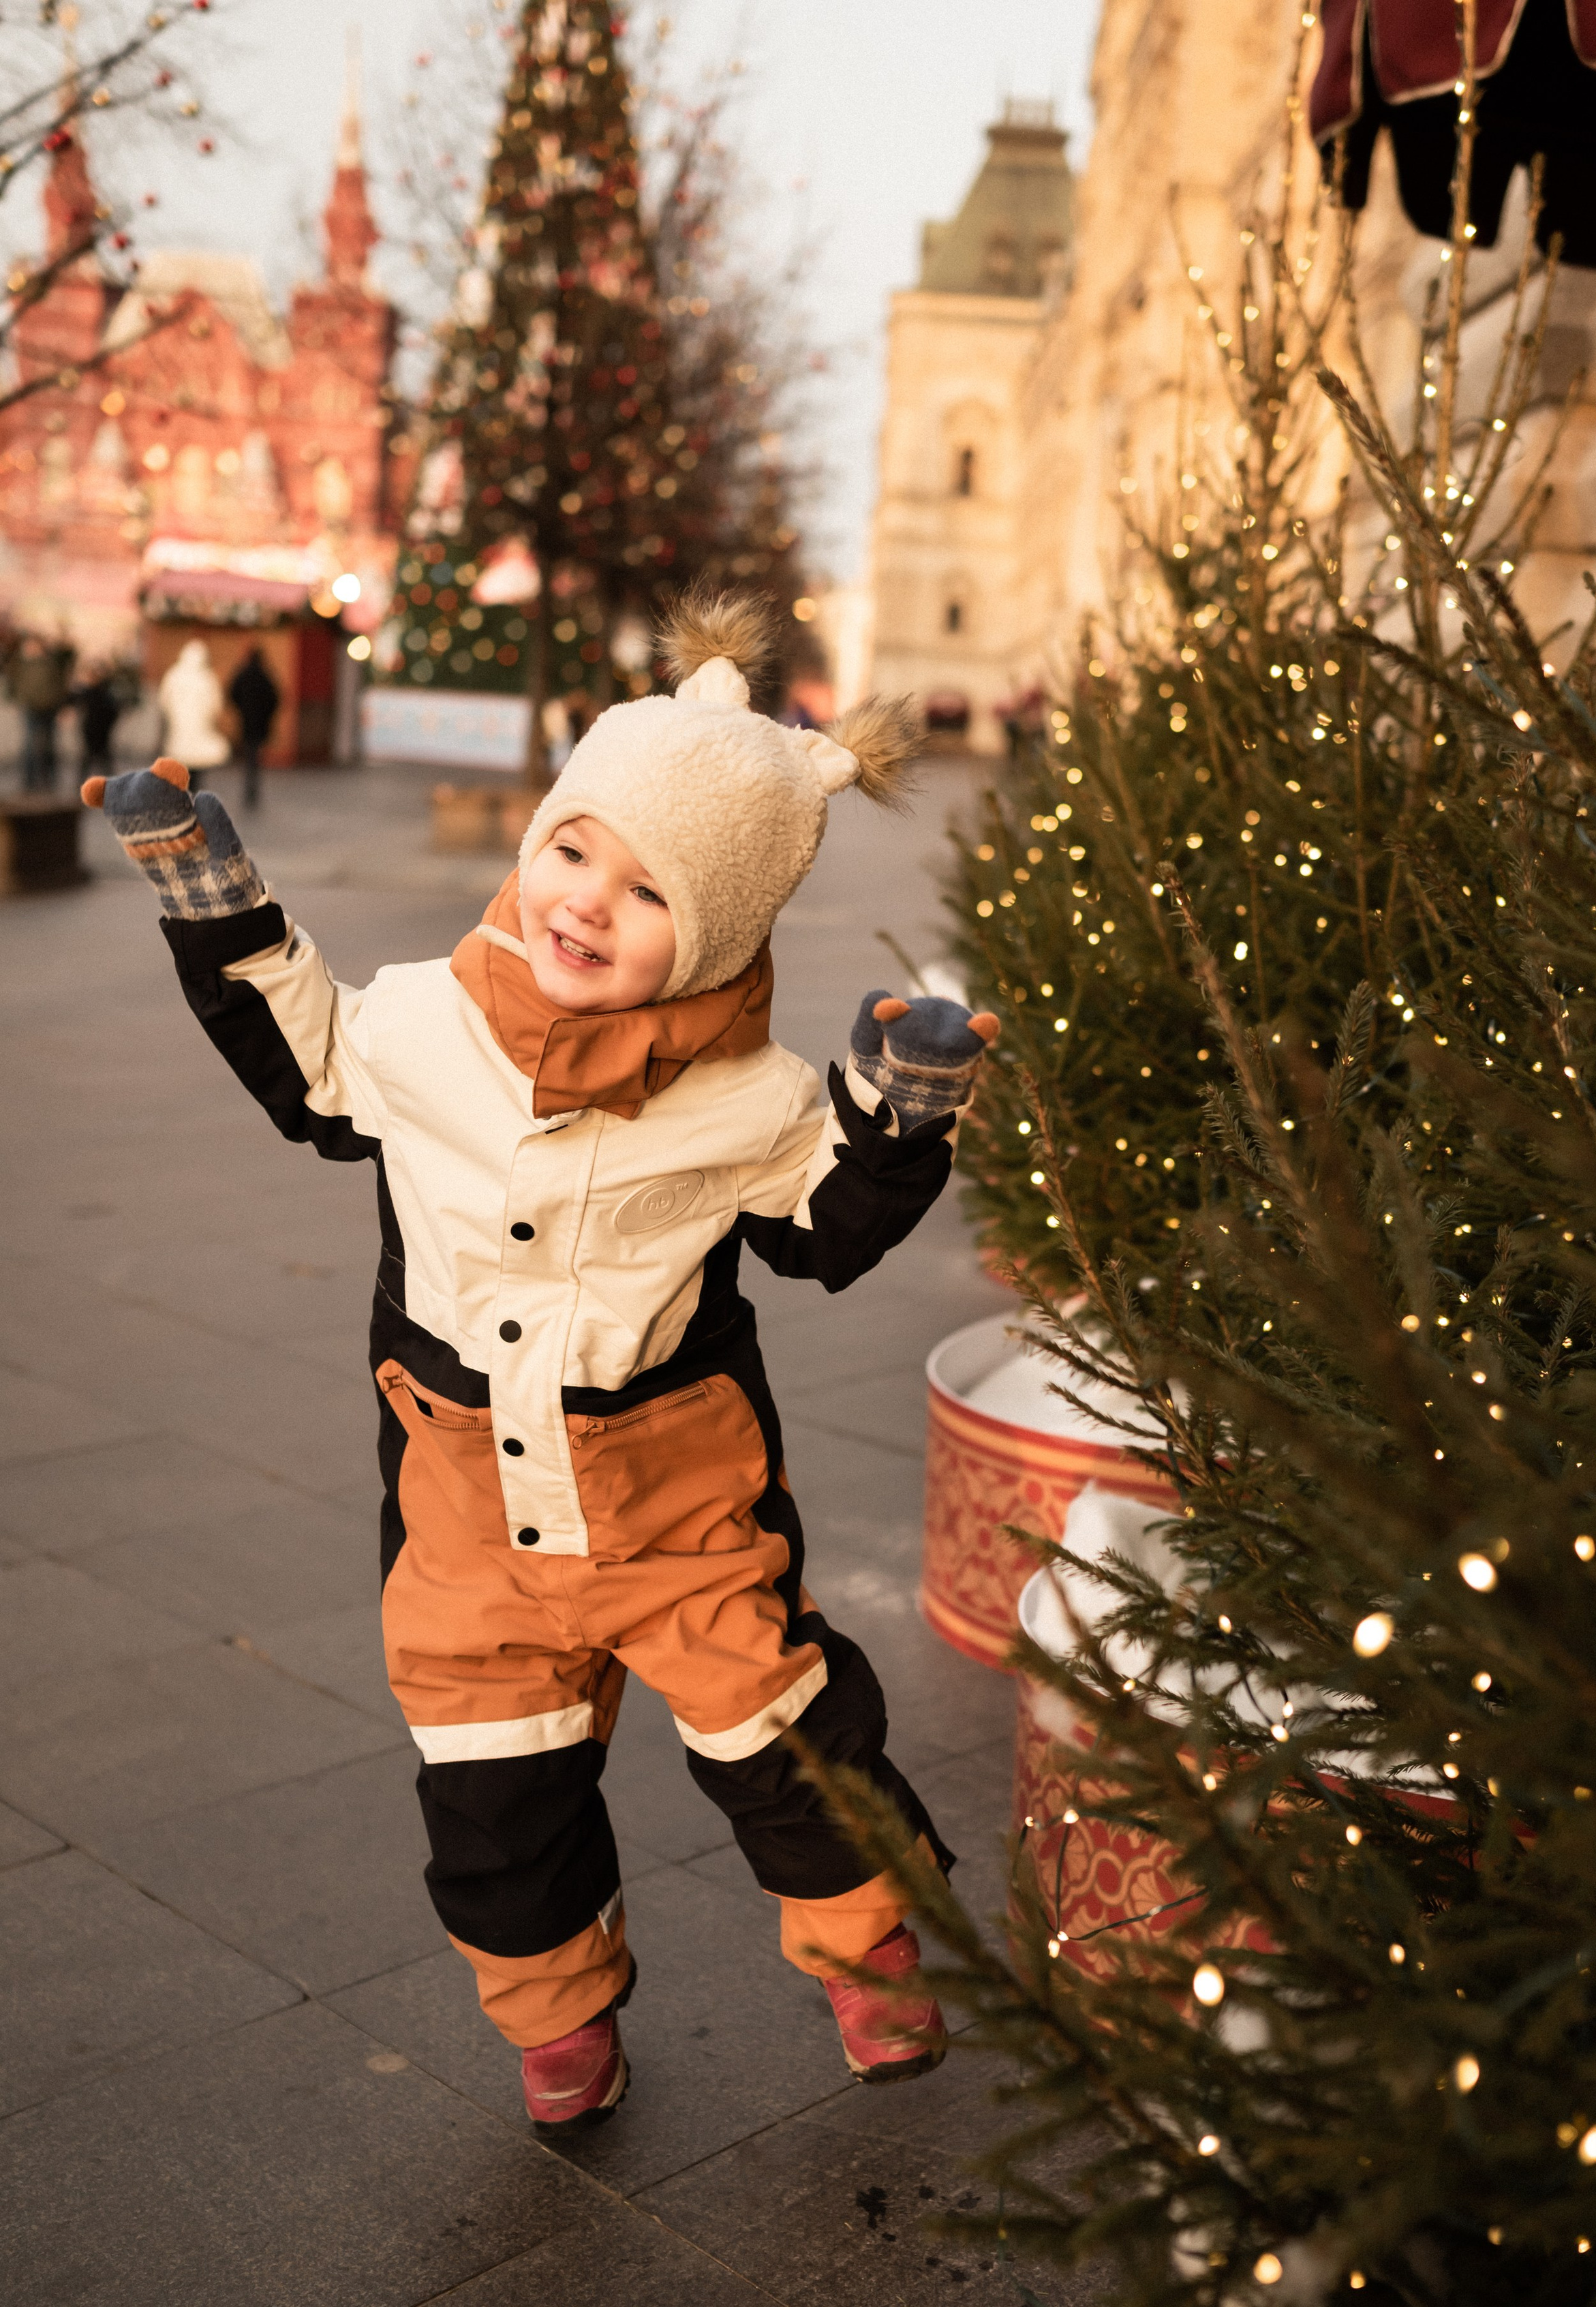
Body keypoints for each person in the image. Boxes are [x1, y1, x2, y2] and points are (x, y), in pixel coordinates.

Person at [80, 589, 1001, 2136]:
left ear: (719, 931)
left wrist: (900, 1111)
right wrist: (208, 891)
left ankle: (872, 1948)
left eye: (648, 893)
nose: (586, 904)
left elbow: (821, 1223)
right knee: (494, 1789)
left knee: (788, 1736)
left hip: (674, 1500)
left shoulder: (748, 1095)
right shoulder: (425, 1021)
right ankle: (559, 2012)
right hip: (464, 1512)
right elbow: (309, 1056)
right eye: (573, 850)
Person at [155, 638, 231, 791]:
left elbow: (163, 702)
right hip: (200, 733)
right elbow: (216, 705)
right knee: (197, 770)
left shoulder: (173, 675)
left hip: (179, 734)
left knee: (181, 768)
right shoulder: (208, 678)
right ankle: (193, 794)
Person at [9, 633, 72, 792]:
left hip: (50, 708)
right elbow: (14, 685)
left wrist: (62, 706)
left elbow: (61, 686)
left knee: (50, 745)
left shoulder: (51, 663)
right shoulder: (21, 664)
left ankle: (50, 779)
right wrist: (20, 700)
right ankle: (29, 781)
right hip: (31, 709)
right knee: (30, 746)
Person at [226, 646, 280, 809]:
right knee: (254, 756)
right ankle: (252, 790)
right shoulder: (265, 676)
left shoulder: (243, 674)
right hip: (260, 723)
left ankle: (250, 789)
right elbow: (275, 698)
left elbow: (232, 693)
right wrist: (267, 716)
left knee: (250, 756)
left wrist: (241, 709)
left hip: (246, 721)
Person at [70, 664, 123, 780]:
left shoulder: (101, 694)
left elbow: (113, 712)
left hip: (98, 731)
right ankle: (109, 781)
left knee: (98, 759)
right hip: (93, 731)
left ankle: (106, 781)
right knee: (95, 759)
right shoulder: (94, 693)